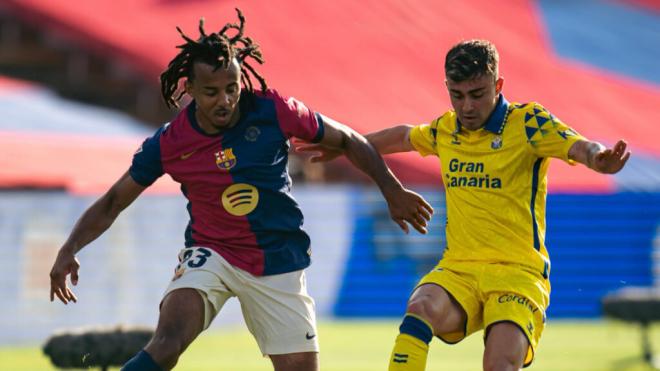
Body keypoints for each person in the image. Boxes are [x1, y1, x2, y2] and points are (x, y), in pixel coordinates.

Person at [48, 9, 433, 371]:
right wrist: (70, 248)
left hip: (277, 257)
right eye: (212, 91)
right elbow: (115, 200)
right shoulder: (170, 143)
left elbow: (349, 138)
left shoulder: (273, 109)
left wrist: (391, 190)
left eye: (232, 87)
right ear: (192, 90)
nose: (226, 100)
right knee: (168, 341)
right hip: (211, 252)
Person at [296, 39, 630, 370]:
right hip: (460, 268)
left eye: (477, 94)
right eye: (457, 95)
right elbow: (403, 135)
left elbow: (580, 147)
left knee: (498, 365)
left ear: (498, 85)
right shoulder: (447, 129)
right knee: (420, 308)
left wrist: (598, 159)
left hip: (517, 273)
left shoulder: (529, 123)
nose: (467, 107)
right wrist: (348, 146)